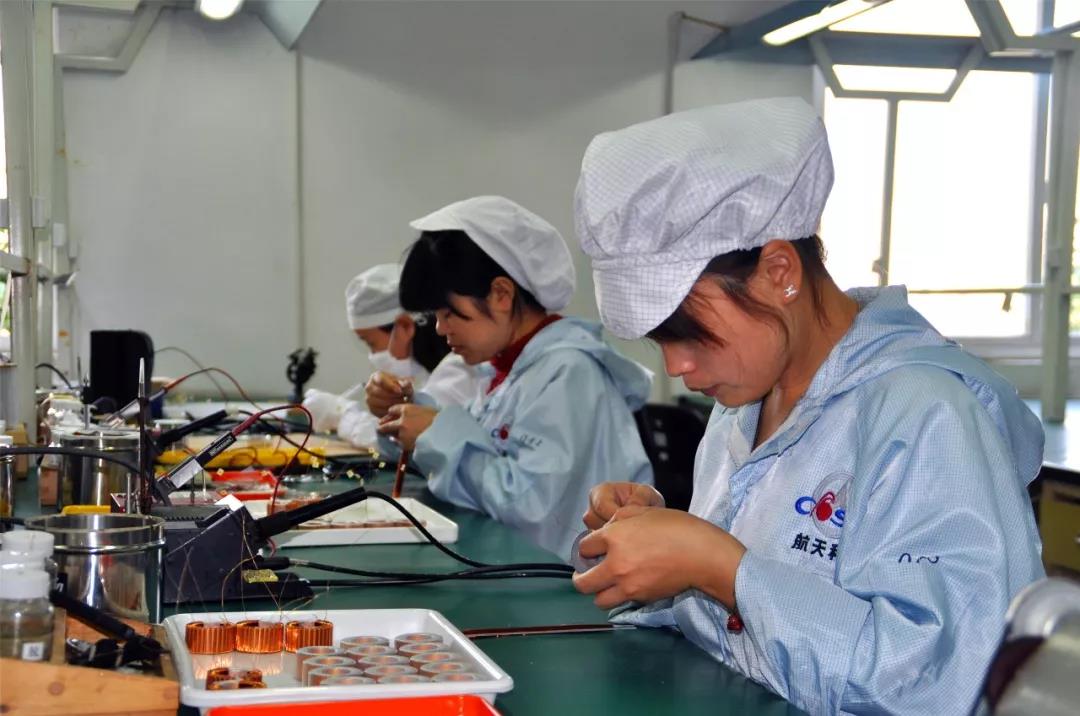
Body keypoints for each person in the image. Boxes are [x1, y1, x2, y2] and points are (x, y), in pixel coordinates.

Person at [569, 98, 1044, 715]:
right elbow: (740, 624)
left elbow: (939, 685)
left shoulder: (927, 416)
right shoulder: (745, 402)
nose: (676, 367)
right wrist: (664, 543)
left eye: (689, 333)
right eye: (660, 341)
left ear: (778, 272)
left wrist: (720, 567)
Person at [371, 196, 655, 558]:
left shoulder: (569, 374)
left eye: (449, 313)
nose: (441, 329)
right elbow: (477, 463)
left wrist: (435, 432)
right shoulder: (509, 372)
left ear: (501, 294)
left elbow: (534, 509)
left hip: (566, 584)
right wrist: (406, 416)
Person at [303, 263, 479, 447]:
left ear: (405, 326)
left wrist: (341, 414)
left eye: (371, 343)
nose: (372, 355)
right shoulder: (426, 374)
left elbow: (407, 435)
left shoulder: (460, 371)